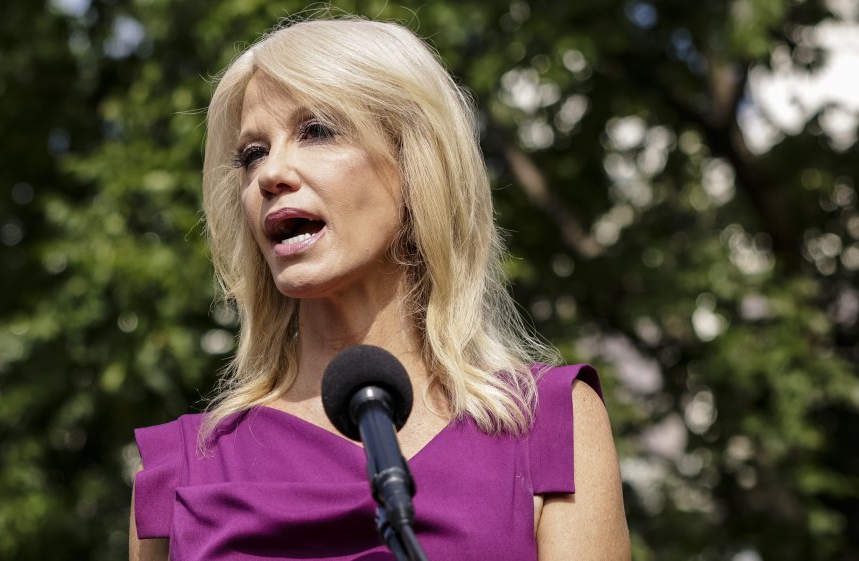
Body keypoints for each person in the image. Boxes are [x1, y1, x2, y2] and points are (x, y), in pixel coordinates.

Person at [129, 15, 629, 561]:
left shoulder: (547, 427)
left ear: (416, 163)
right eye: (252, 153)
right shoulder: (180, 471)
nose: (271, 173)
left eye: (316, 130)